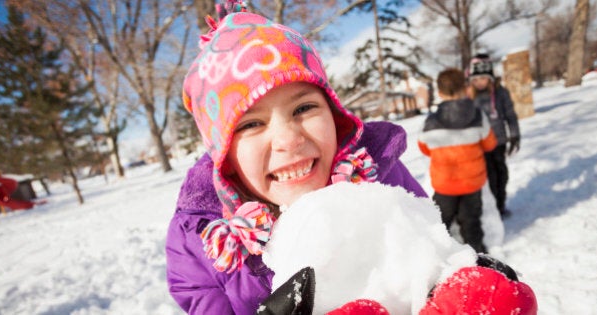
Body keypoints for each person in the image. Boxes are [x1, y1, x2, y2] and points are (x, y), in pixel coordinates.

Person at [166, 2, 536, 314]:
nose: (289, 140)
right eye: (251, 124)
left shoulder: (378, 175)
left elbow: (425, 258)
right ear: (223, 155)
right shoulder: (202, 246)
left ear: (335, 114)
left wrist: (452, 283)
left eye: (304, 107)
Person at [417, 68, 497, 254]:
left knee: (440, 221)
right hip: (472, 182)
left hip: (444, 183)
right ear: (464, 88)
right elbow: (490, 143)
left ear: (439, 93)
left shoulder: (431, 122)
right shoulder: (477, 116)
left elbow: (424, 148)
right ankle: (477, 254)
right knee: (471, 222)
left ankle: (439, 254)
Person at [467, 53, 520, 218]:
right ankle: (493, 209)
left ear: (489, 77)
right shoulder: (470, 96)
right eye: (475, 80)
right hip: (480, 144)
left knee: (501, 174)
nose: (479, 82)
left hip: (499, 141)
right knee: (489, 177)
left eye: (482, 78)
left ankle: (501, 204)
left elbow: (510, 115)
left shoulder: (501, 93)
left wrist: (515, 135)